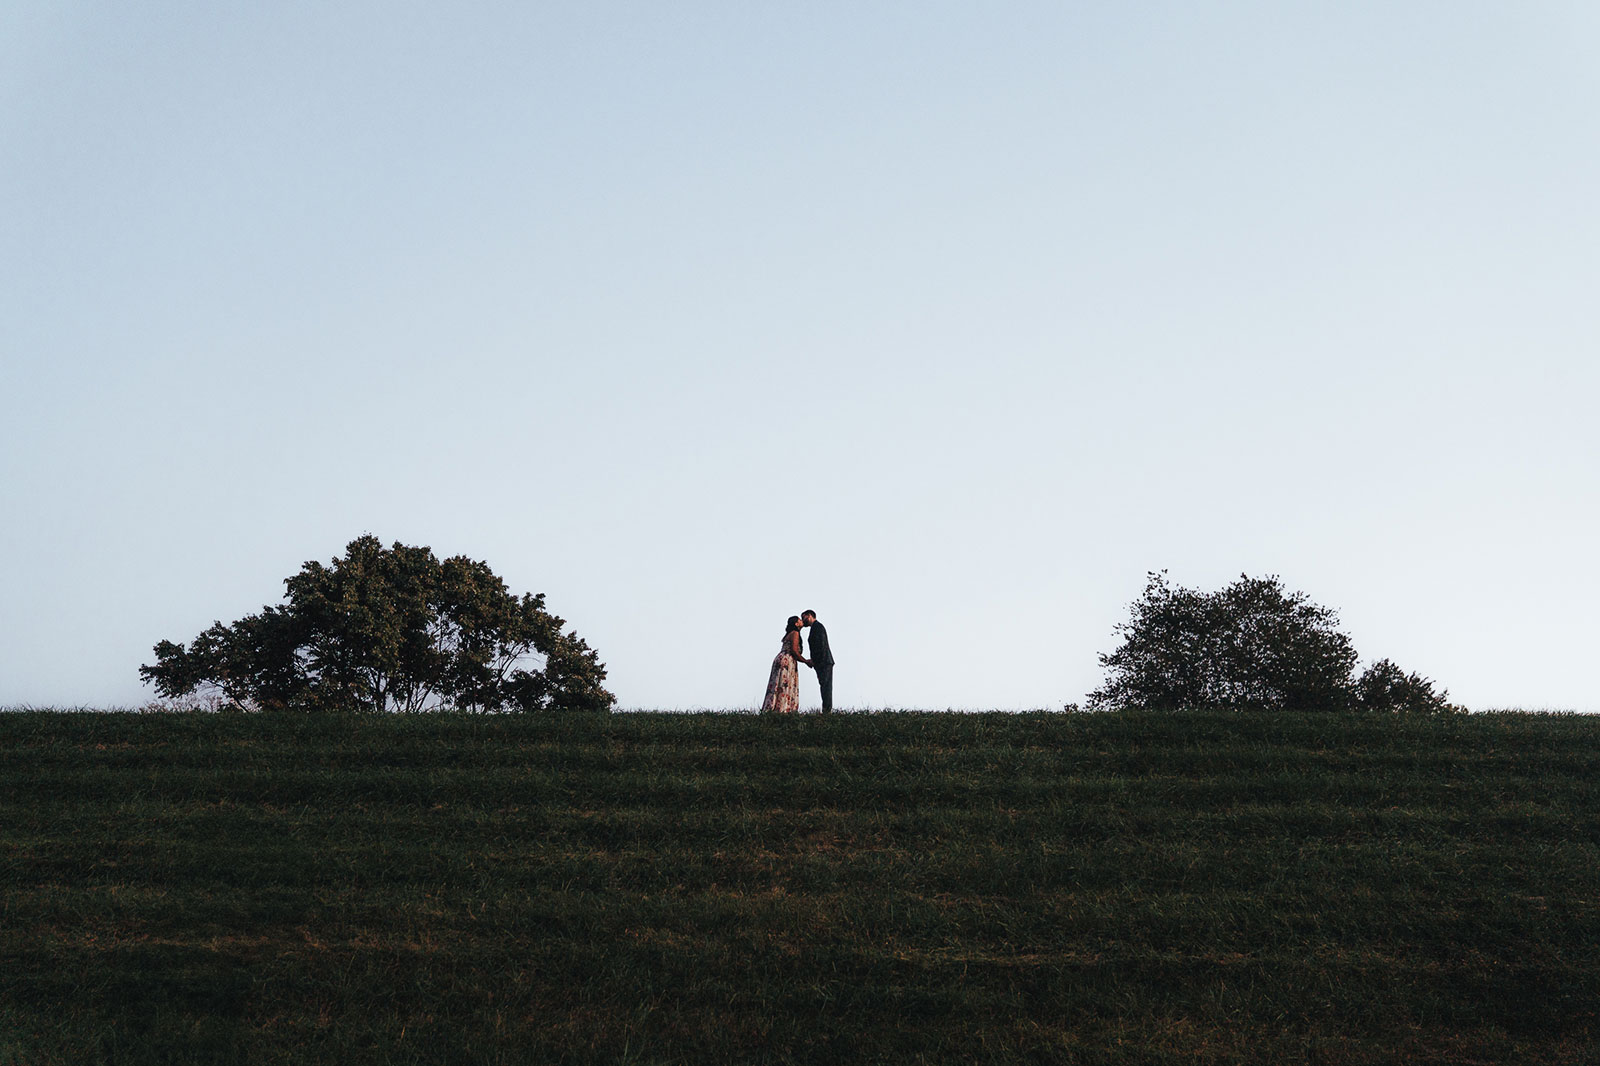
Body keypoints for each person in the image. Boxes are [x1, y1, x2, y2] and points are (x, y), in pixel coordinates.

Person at [760, 615, 809, 713]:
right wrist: (806, 661)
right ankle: (782, 709)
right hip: (787, 660)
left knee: (778, 683)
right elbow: (794, 651)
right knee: (784, 684)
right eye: (799, 620)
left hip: (782, 658)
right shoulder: (795, 633)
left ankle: (773, 707)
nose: (801, 621)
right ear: (796, 624)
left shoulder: (789, 634)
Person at [801, 610, 834, 713]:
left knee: (826, 686)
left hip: (823, 662)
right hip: (822, 662)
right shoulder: (815, 627)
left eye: (804, 617)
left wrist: (815, 661)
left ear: (809, 616)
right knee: (824, 685)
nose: (803, 620)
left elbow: (821, 645)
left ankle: (827, 710)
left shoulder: (818, 627)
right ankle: (826, 709)